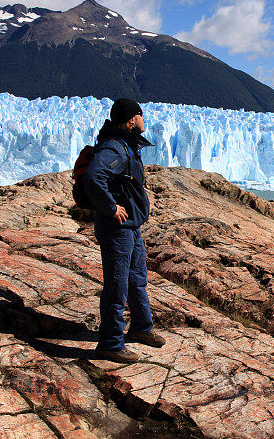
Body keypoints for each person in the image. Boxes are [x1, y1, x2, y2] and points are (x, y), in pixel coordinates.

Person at [84, 98, 165, 363]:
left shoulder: (125, 145)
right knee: (117, 285)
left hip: (131, 227)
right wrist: (111, 208)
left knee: (136, 279)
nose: (144, 119)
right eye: (141, 115)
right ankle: (110, 343)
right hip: (117, 228)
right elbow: (94, 176)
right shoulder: (115, 148)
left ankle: (141, 328)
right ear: (131, 119)